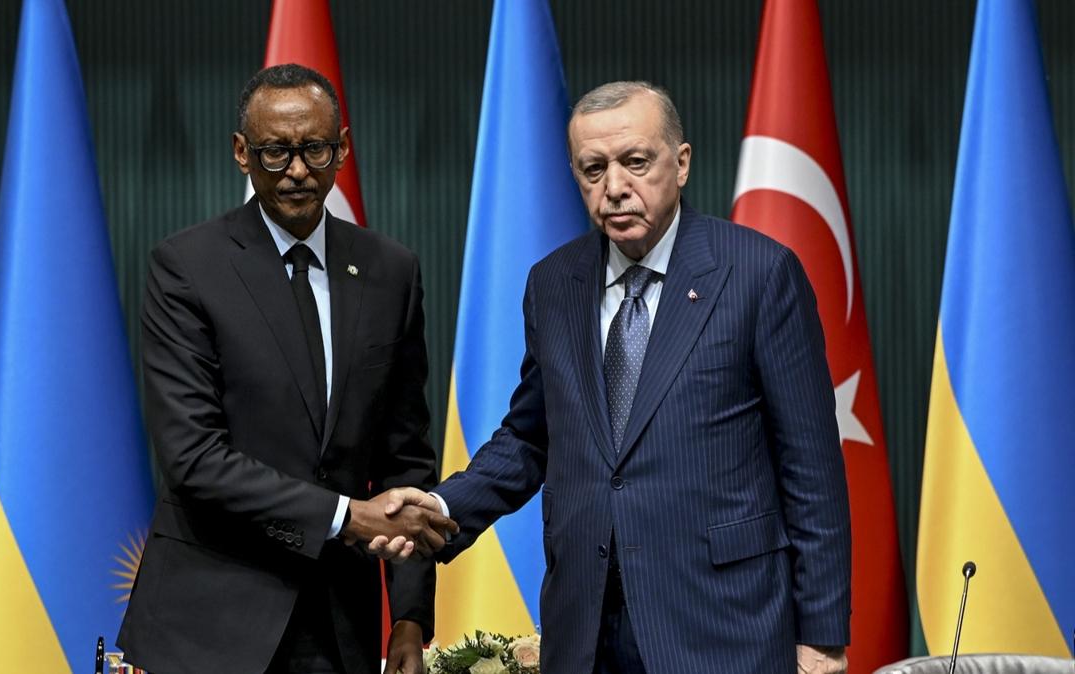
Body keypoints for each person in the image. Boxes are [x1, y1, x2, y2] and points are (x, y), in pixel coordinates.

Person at [373, 82, 851, 673]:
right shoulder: (553, 283)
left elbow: (811, 465)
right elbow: (530, 436)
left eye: (636, 162)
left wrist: (822, 638)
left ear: (681, 164)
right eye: (593, 169)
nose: (615, 187)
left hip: (722, 626)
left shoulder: (759, 273)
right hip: (586, 628)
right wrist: (439, 508)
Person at [117, 64, 457, 674]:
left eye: (314, 149)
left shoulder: (391, 271)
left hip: (341, 627)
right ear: (241, 153)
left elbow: (404, 457)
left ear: (342, 149)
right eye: (275, 152)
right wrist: (346, 516)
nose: (297, 171)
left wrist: (409, 616)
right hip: (211, 623)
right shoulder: (187, 267)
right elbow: (193, 457)